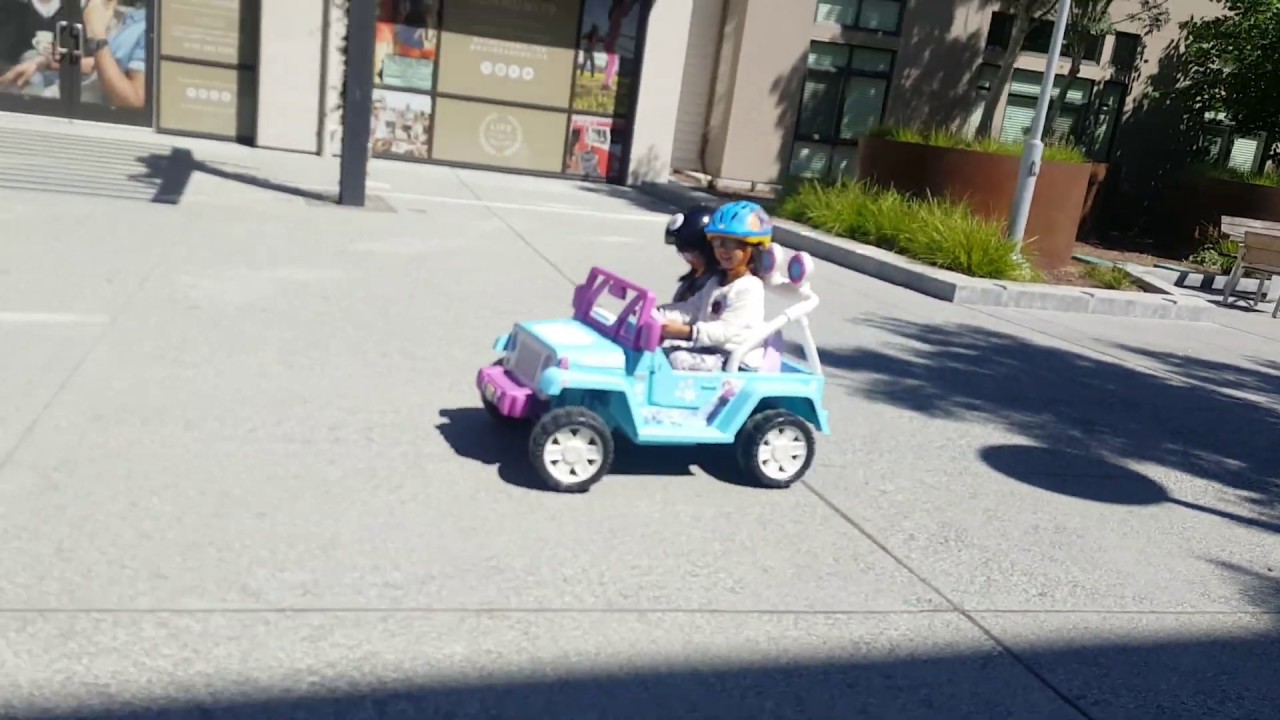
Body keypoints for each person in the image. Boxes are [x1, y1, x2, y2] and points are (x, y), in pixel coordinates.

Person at [659, 200, 773, 372]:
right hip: (713, 350)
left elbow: (725, 330)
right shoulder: (715, 282)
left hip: (736, 359)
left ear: (754, 247)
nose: (723, 250)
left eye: (732, 243)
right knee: (662, 349)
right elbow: (691, 309)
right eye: (717, 242)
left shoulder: (749, 288)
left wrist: (687, 332)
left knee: (678, 360)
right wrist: (659, 313)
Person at [664, 202, 719, 303]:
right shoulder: (693, 279)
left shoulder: (715, 286)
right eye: (682, 253)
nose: (686, 259)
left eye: (689, 254)